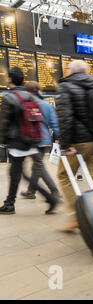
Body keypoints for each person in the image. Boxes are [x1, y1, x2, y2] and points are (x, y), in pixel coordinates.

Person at [55, 60, 93, 232]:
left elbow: (65, 117)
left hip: (80, 141)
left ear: (70, 71)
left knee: (64, 176)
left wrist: (65, 145)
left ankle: (76, 217)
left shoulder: (66, 86)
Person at [0, 67, 59, 215]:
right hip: (33, 140)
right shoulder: (30, 96)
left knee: (16, 173)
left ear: (9, 79)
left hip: (17, 141)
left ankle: (10, 204)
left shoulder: (8, 96)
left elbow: (4, 122)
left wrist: (3, 141)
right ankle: (48, 198)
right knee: (21, 173)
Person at [20, 81, 61, 200]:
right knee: (37, 167)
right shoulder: (47, 105)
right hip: (45, 140)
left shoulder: (24, 104)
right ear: (38, 90)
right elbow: (55, 124)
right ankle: (30, 191)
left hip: (31, 140)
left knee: (39, 167)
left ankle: (54, 191)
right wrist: (58, 139)